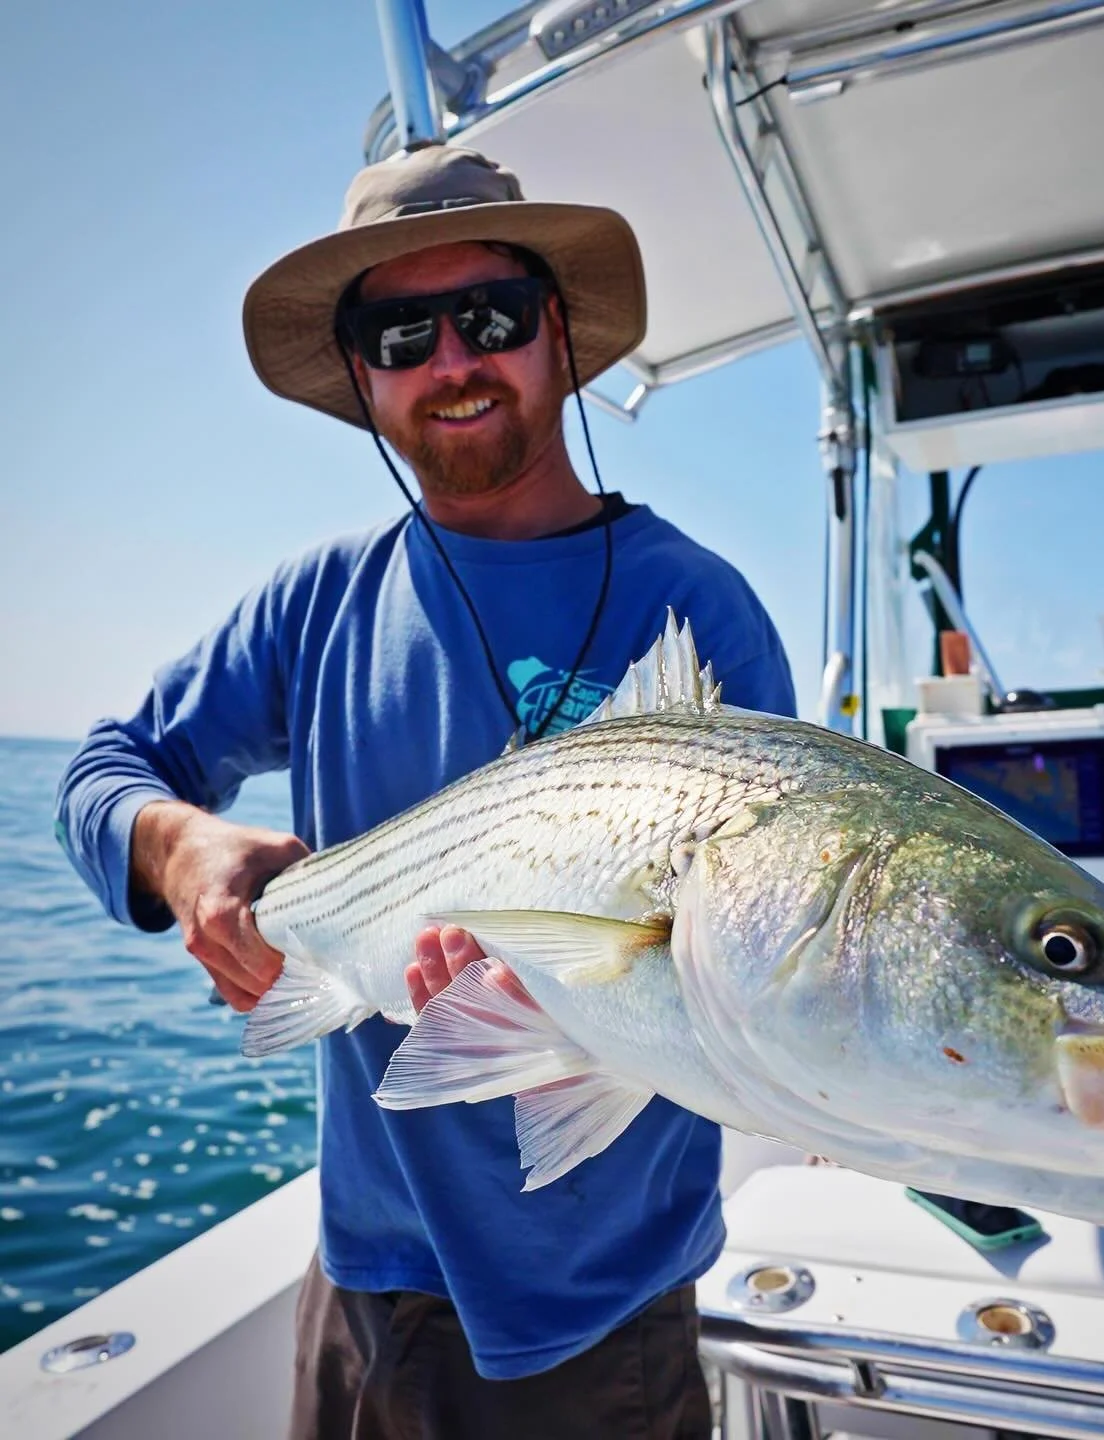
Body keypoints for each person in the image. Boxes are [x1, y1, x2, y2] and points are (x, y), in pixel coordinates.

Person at [56, 142, 796, 1438]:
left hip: (601, 1319)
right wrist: (186, 858)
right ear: (361, 374)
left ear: (559, 336)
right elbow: (105, 774)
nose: (452, 359)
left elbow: (763, 954)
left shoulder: (701, 611)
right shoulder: (317, 603)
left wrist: (584, 992)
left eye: (492, 317)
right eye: (402, 333)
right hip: (355, 1292)